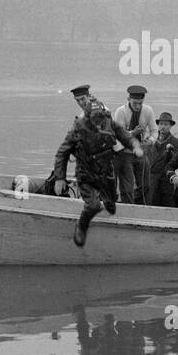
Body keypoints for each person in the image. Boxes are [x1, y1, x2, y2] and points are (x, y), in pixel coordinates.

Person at [51, 100, 144, 246]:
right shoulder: (78, 128)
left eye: (100, 118)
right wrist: (59, 178)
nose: (98, 123)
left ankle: (109, 199)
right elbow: (62, 153)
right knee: (94, 205)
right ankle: (81, 226)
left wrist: (135, 145)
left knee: (112, 204)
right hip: (86, 173)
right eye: (95, 119)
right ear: (87, 117)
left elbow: (125, 136)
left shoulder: (109, 122)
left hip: (106, 171)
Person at [113, 85, 155, 204]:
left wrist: (151, 141)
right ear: (128, 99)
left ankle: (141, 209)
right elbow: (118, 135)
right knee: (127, 187)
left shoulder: (148, 111)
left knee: (145, 185)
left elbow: (154, 130)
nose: (138, 106)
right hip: (125, 154)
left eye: (140, 103)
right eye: (135, 103)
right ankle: (128, 209)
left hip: (141, 153)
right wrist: (133, 133)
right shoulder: (120, 112)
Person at [147, 112, 178, 207]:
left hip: (166, 181)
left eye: (166, 124)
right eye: (161, 124)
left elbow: (176, 162)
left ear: (170, 126)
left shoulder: (177, 143)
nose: (163, 127)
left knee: (166, 206)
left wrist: (169, 152)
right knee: (151, 205)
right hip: (151, 181)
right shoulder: (151, 140)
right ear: (158, 125)